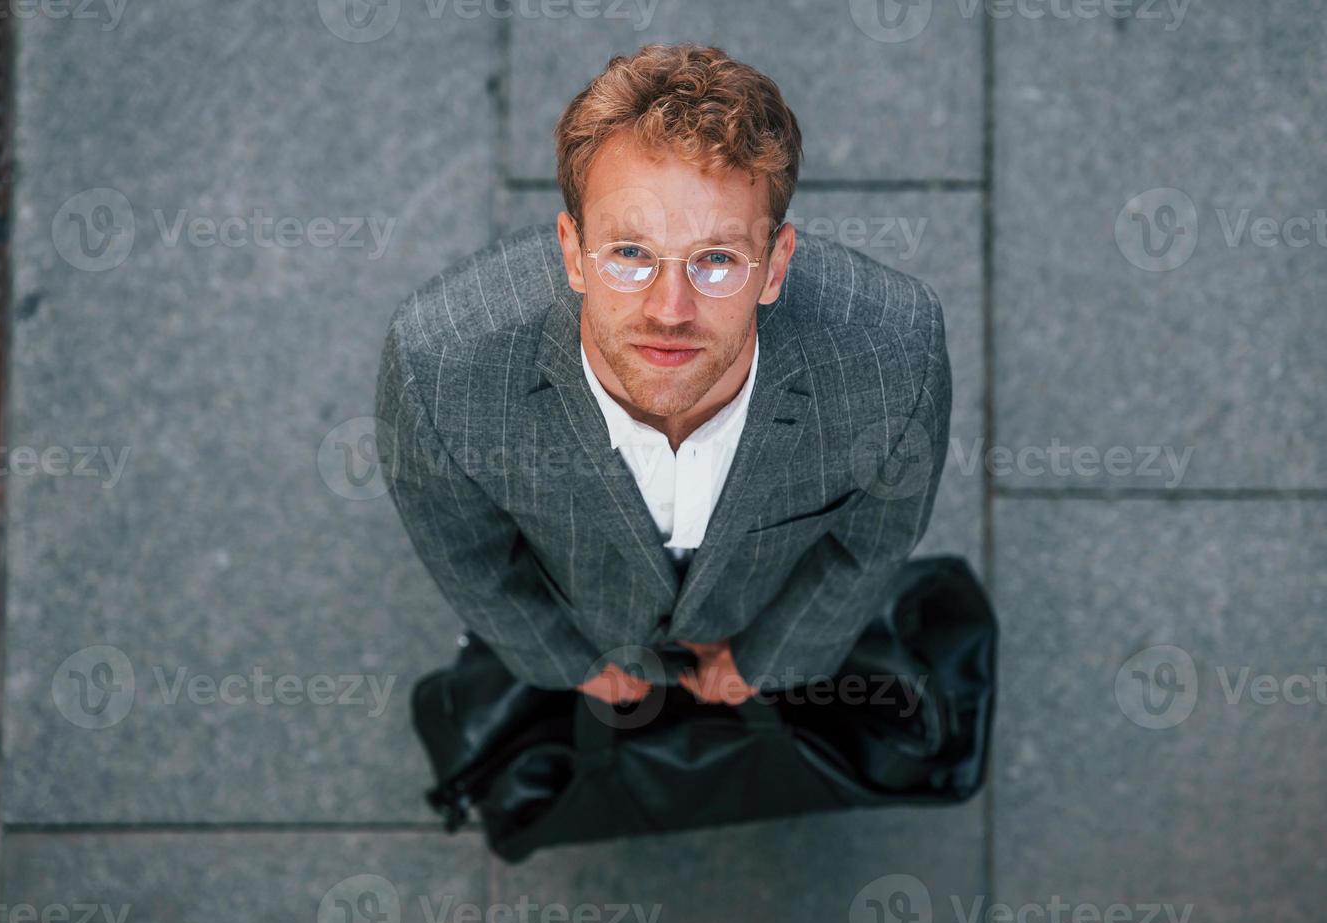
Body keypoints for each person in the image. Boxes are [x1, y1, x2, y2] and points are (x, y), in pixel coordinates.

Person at [375, 42, 951, 709]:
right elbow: (463, 550)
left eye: (716, 259)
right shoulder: (440, 366)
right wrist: (566, 663)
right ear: (572, 253)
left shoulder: (894, 353)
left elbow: (873, 541)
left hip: (751, 622)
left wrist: (770, 660)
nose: (669, 311)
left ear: (775, 266)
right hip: (591, 630)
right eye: (628, 253)